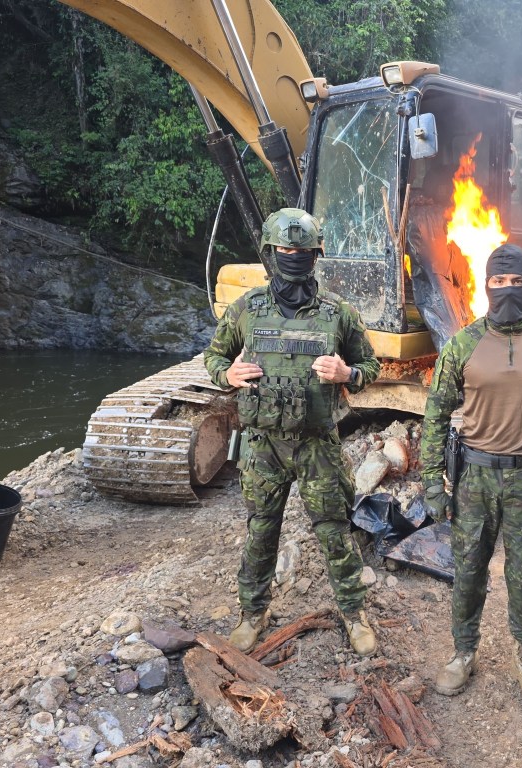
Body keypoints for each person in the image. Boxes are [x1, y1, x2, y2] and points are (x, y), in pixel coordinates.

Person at [203, 208, 381, 655]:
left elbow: (371, 365)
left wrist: (348, 374)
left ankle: (354, 613)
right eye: (285, 249)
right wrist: (228, 374)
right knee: (261, 530)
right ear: (271, 252)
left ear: (315, 254)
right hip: (263, 445)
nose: (294, 256)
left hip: (317, 444)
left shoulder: (339, 313)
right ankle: (253, 613)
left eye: (302, 251)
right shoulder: (247, 308)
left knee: (334, 531)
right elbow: (213, 356)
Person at [420, 243, 522, 711]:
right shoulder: (463, 344)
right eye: (498, 281)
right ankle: (463, 653)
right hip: (474, 478)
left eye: (516, 282)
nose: (507, 290)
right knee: (468, 570)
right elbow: (436, 415)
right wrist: (433, 482)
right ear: (486, 284)